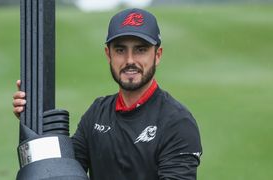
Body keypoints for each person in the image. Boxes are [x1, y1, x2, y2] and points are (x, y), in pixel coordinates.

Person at [13, 8, 202, 180]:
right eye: (120, 50)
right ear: (108, 54)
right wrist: (30, 122)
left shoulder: (177, 123)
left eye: (140, 50)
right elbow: (60, 170)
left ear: (157, 55)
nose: (130, 60)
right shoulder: (97, 113)